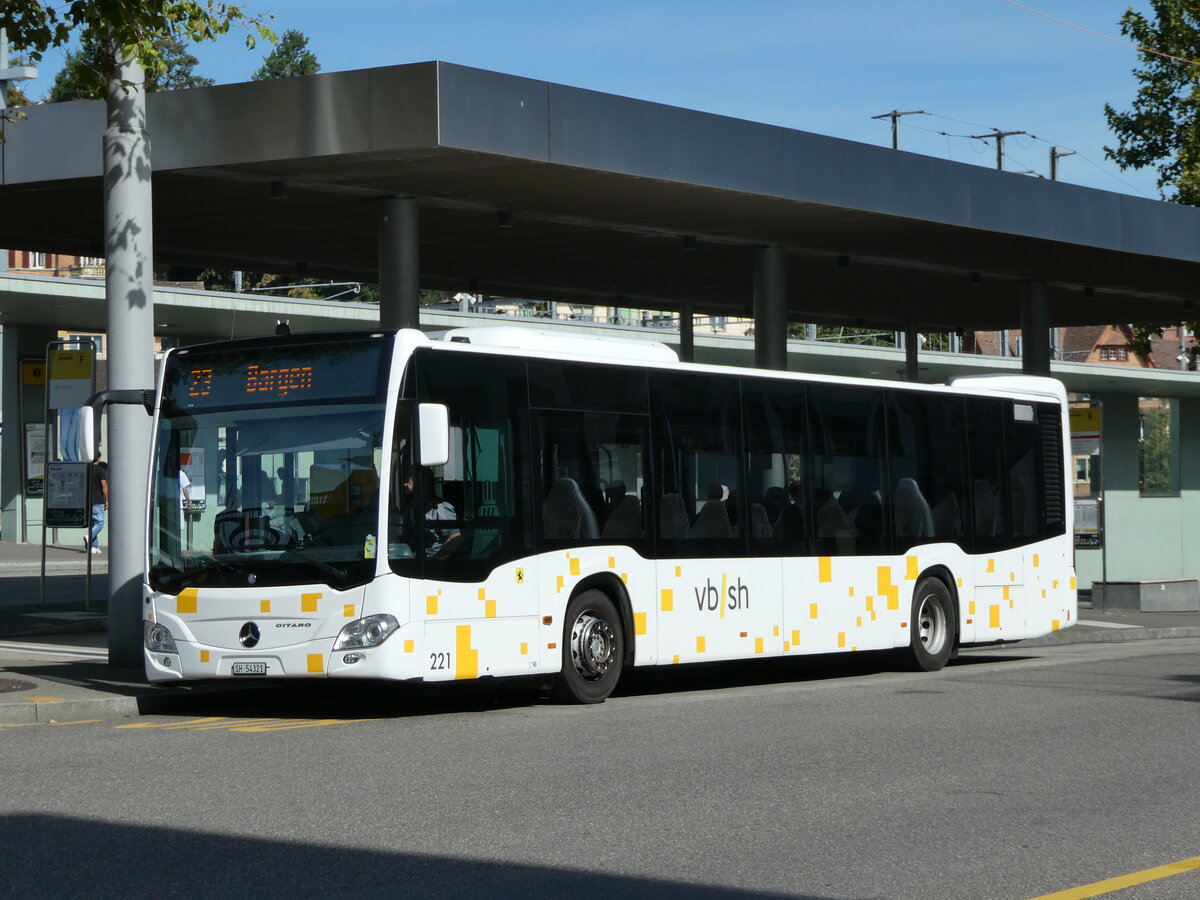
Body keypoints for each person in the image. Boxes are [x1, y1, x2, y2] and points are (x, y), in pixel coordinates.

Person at [404, 466, 460, 558]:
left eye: (408, 480)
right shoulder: (413, 509)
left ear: (422, 482)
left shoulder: (440, 509)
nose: (405, 484)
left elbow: (455, 538)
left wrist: (436, 559)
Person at [88, 455, 109, 554]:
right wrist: (107, 500)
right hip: (97, 500)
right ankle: (89, 536)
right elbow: (104, 485)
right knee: (100, 523)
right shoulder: (100, 470)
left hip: (87, 501)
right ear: (99, 458)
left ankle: (94, 546)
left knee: (93, 523)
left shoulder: (86, 469)